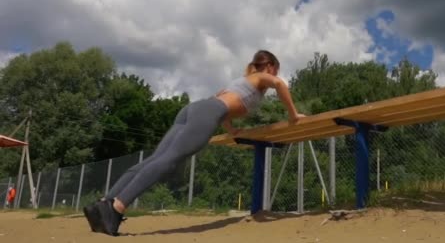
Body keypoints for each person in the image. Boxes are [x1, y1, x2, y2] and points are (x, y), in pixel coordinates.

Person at [83, 50, 305, 236]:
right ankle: (117, 207)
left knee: (156, 159)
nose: (277, 73)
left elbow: (221, 100)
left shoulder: (241, 81)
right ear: (270, 66)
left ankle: (104, 203)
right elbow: (278, 84)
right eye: (277, 69)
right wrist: (293, 115)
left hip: (195, 109)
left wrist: (232, 129)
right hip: (208, 112)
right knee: (169, 162)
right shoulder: (261, 77)